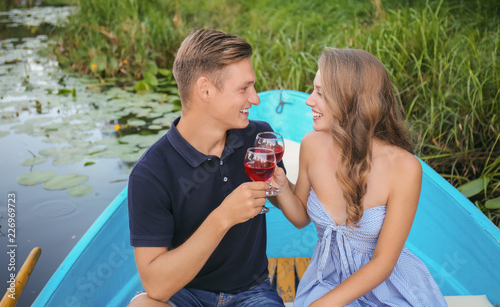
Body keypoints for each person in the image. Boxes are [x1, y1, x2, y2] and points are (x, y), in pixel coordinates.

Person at [273, 48, 447, 306]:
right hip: (327, 280)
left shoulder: (404, 167)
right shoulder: (312, 145)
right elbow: (300, 218)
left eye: (320, 93)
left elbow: (383, 264)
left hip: (388, 287)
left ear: (350, 100)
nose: (309, 101)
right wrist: (280, 186)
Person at [127, 29, 285, 306]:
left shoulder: (258, 140)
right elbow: (156, 286)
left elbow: (292, 204)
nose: (256, 98)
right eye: (244, 88)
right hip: (184, 293)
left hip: (252, 294)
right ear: (205, 90)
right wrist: (223, 217)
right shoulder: (150, 173)